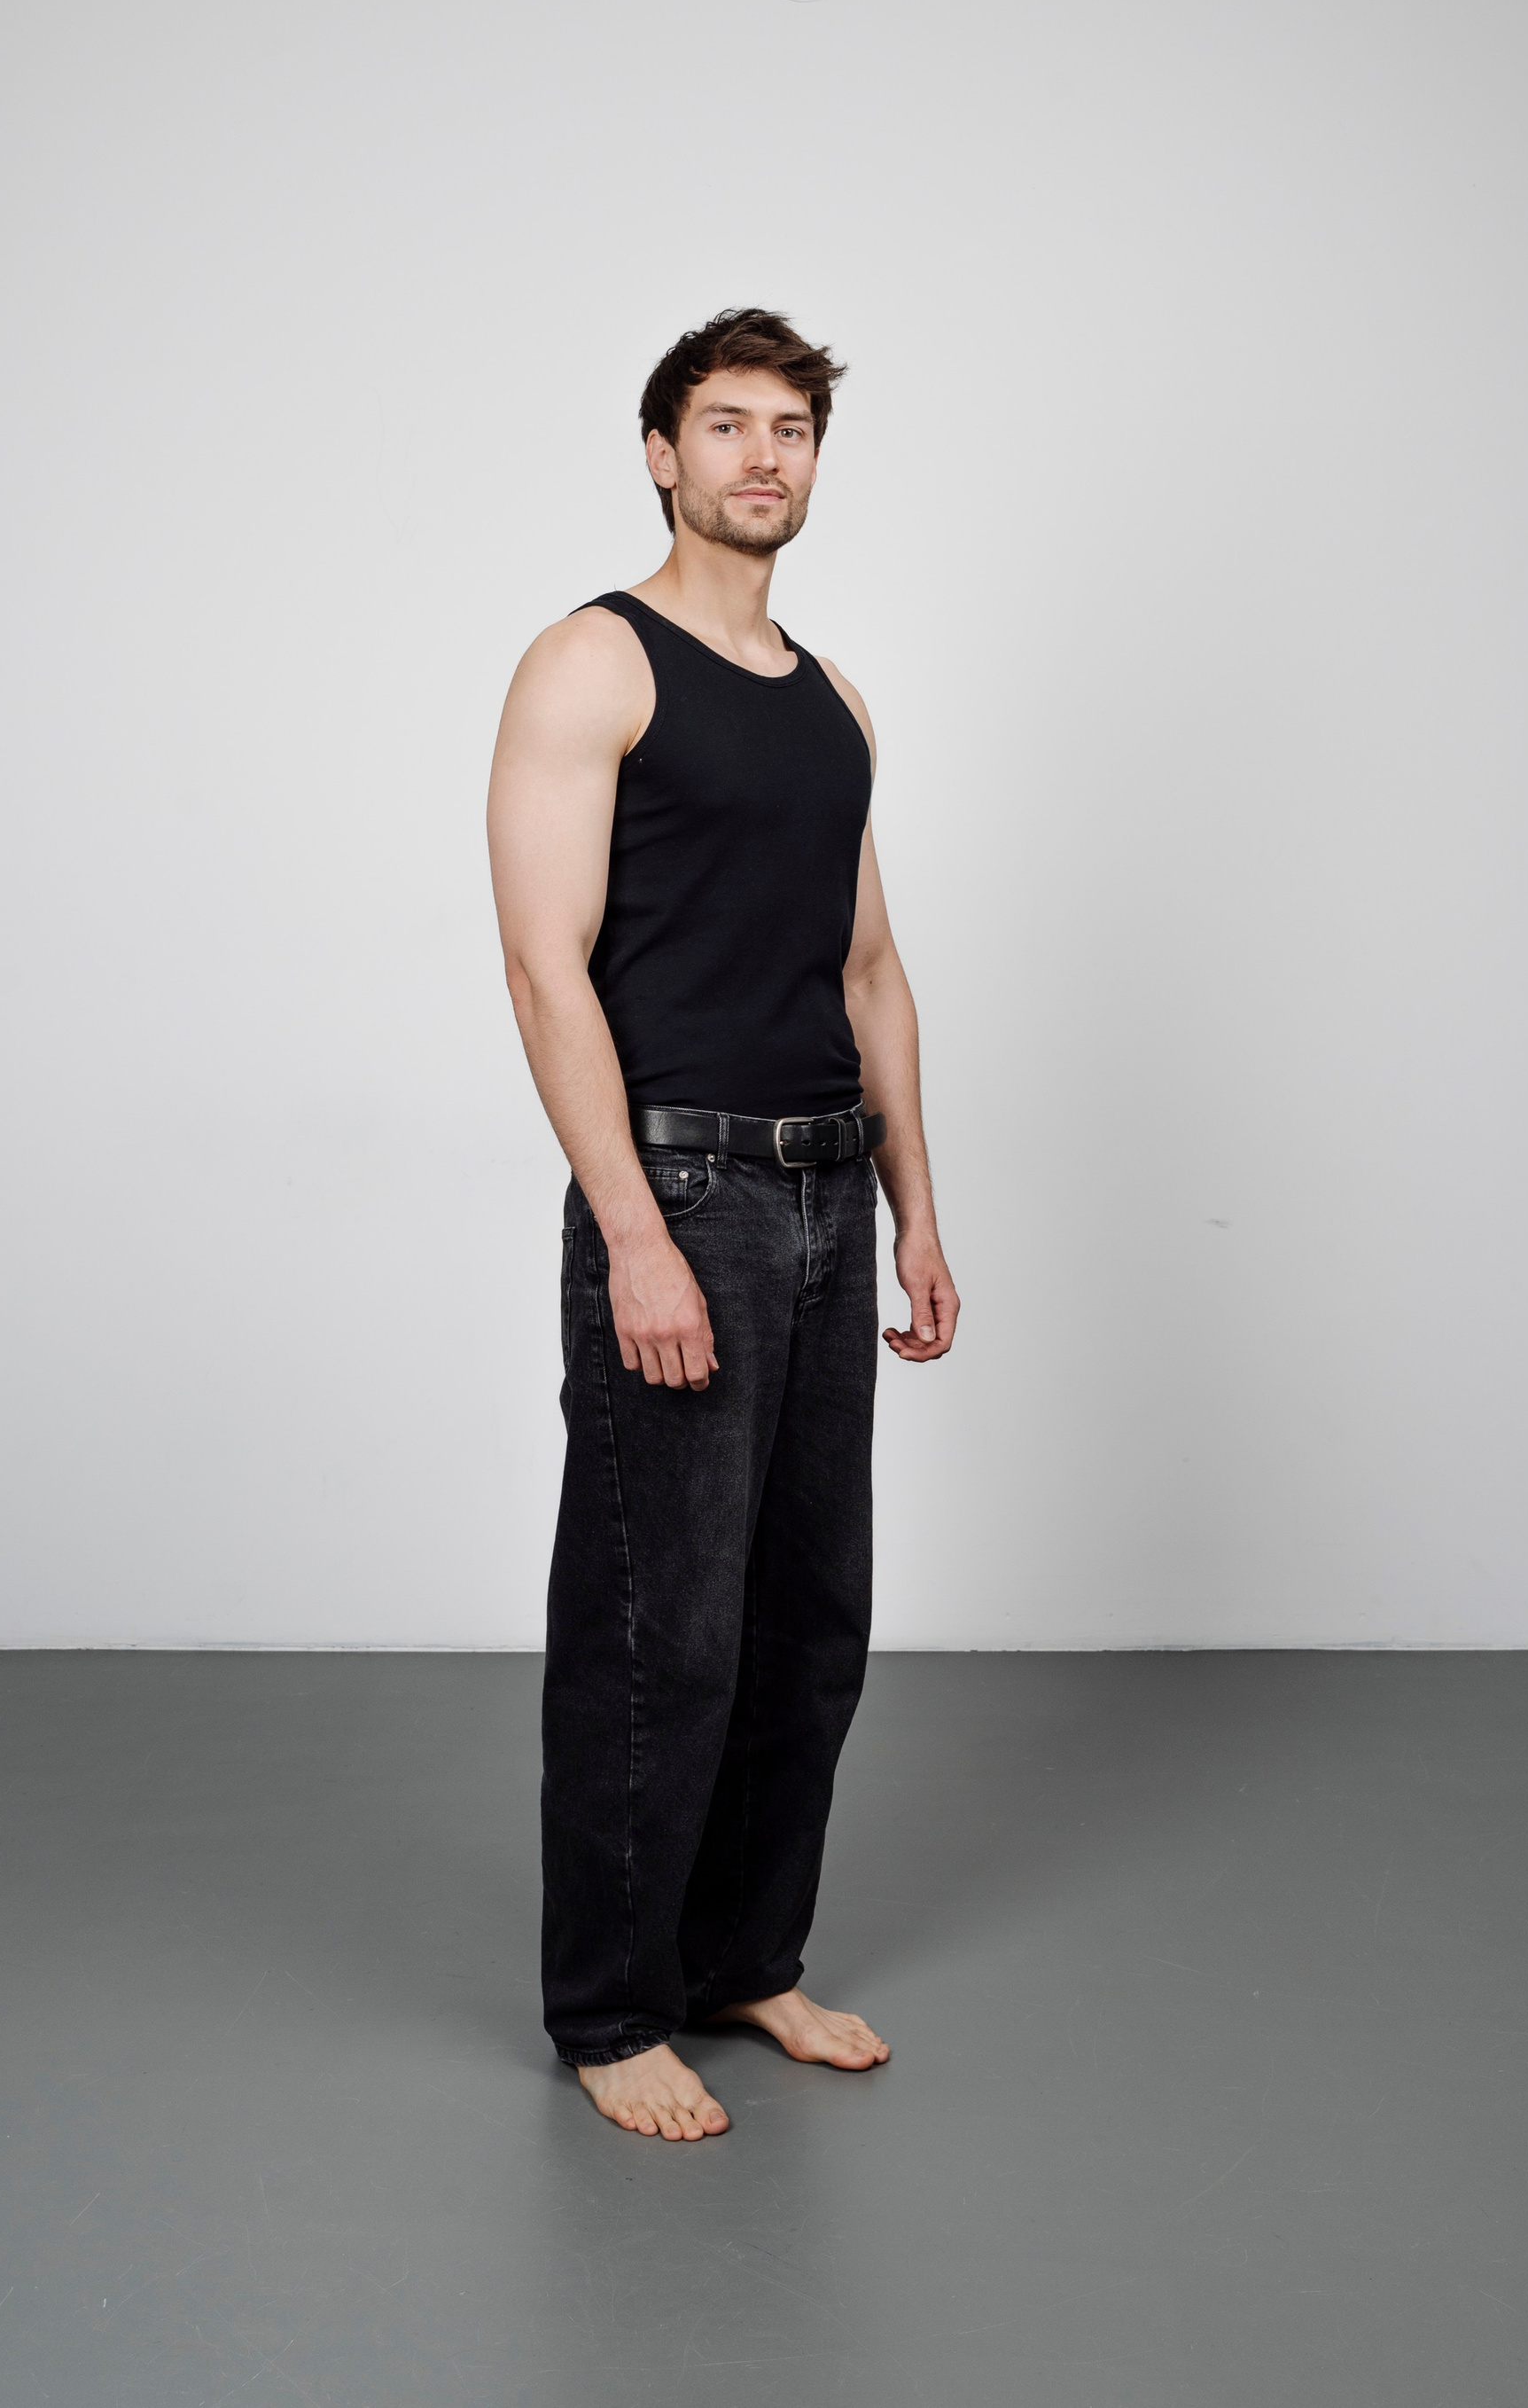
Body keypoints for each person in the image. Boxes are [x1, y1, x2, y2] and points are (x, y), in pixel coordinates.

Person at [487, 308, 958, 2142]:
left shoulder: (834, 702)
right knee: (658, 1629)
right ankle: (615, 2013)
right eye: (728, 425)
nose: (765, 456)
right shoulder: (592, 664)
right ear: (660, 454)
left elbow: (871, 968)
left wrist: (919, 1212)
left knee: (809, 1623)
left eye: (793, 430)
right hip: (685, 1190)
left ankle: (747, 1958)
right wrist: (633, 1231)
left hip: (833, 1190)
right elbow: (545, 969)